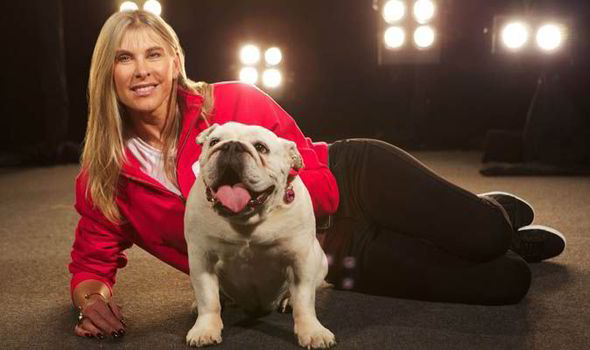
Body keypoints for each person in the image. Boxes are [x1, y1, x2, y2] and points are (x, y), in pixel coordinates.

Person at [70, 10, 566, 340]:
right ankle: (485, 237)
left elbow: (305, 160)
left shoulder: (234, 103)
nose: (142, 71)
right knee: (506, 281)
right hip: (335, 255)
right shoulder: (108, 172)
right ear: (107, 73)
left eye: (153, 54)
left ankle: (487, 217)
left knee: (485, 233)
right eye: (124, 58)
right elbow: (91, 259)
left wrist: (277, 197)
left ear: (174, 61)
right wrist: (91, 300)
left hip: (351, 182)